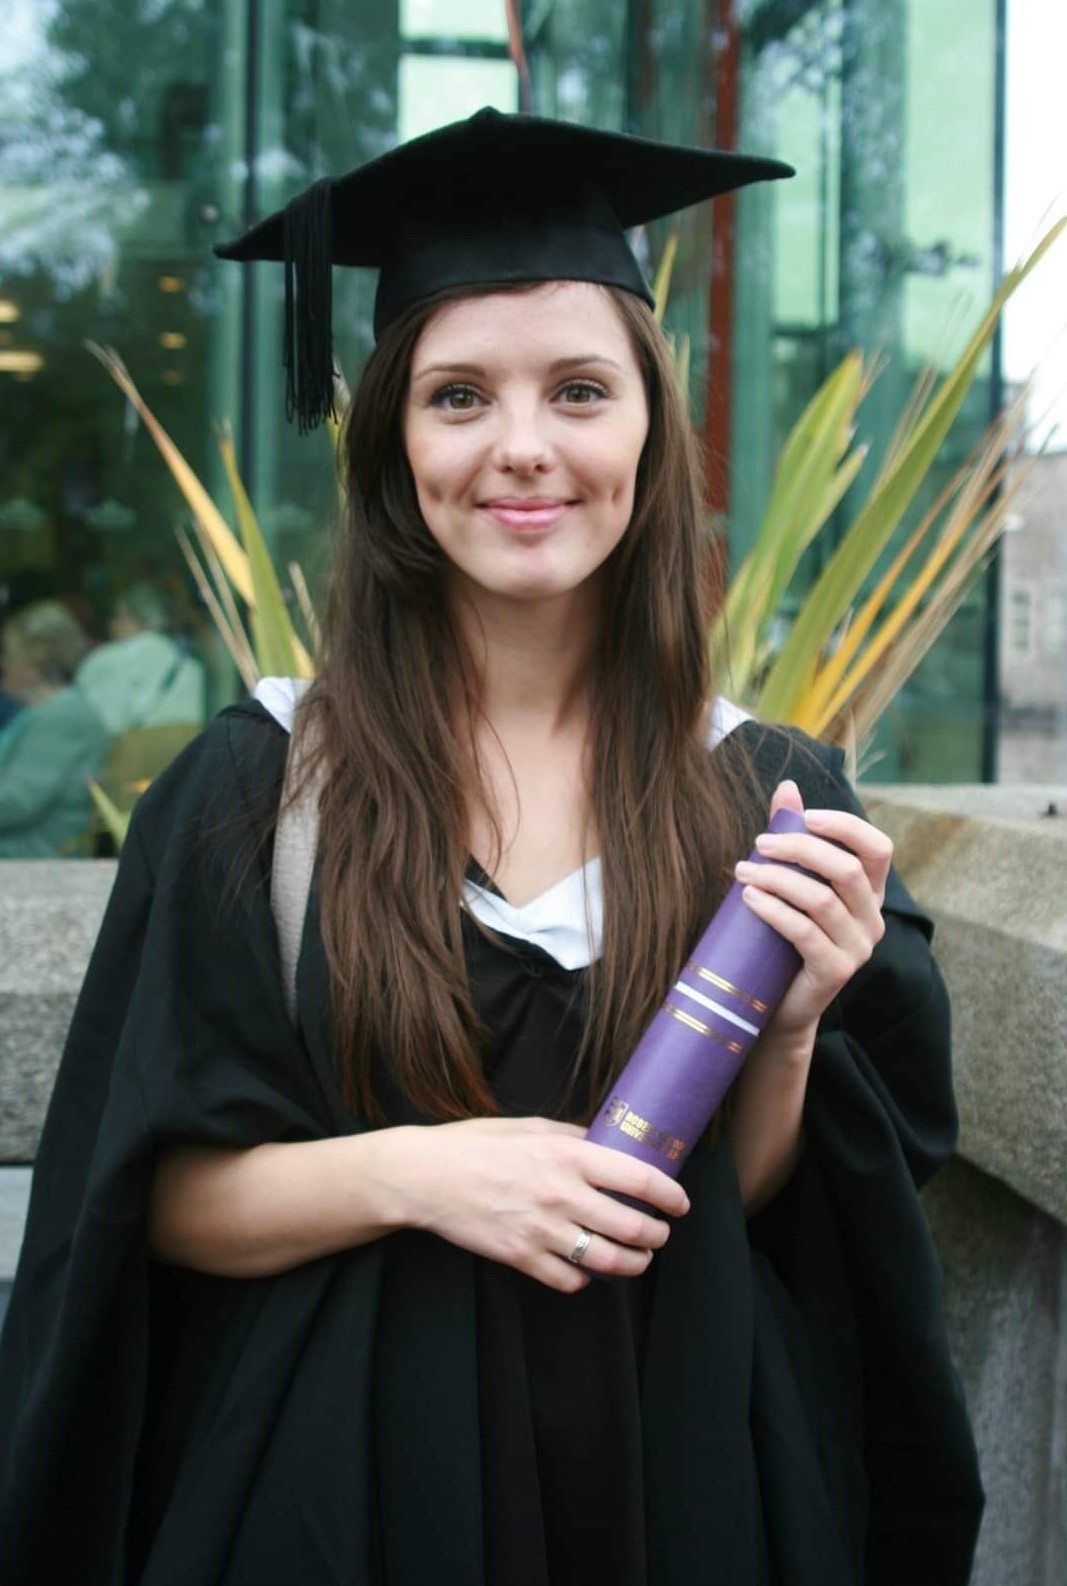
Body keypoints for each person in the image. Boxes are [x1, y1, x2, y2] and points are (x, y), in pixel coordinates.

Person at [0, 109, 983, 1584]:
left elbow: (754, 1207)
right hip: (335, 1493)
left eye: (578, 390)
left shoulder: (765, 793)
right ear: (393, 439)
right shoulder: (254, 791)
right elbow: (151, 1198)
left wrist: (786, 1028)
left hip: (671, 1478)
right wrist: (424, 1175)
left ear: (650, 427)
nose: (521, 448)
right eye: (457, 396)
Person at [0, 599, 109, 857]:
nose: (3, 663)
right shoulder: (46, 711)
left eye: (9, 655)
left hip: (33, 859)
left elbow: (19, 802)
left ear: (35, 664)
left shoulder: (63, 715)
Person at [76, 581, 206, 739]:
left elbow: (102, 724)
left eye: (114, 617)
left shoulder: (106, 659)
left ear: (126, 615)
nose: (111, 625)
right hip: (190, 746)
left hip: (136, 753)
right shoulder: (190, 665)